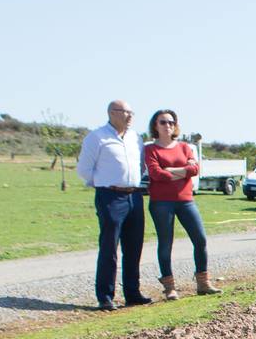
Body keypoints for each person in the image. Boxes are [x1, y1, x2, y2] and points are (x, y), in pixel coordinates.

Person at [76, 100, 152, 311]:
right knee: (109, 246)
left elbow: (140, 165)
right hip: (110, 195)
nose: (129, 116)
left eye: (131, 112)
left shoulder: (135, 138)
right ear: (111, 113)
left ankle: (132, 292)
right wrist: (102, 185)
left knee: (134, 246)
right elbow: (84, 169)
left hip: (134, 195)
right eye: (124, 112)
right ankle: (105, 296)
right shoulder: (97, 137)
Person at [143, 109, 221, 300]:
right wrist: (182, 171)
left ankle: (203, 282)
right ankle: (169, 287)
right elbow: (155, 174)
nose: (167, 125)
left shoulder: (185, 147)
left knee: (200, 239)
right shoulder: (150, 149)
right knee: (166, 243)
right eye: (163, 122)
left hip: (186, 200)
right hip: (161, 202)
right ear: (155, 125)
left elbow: (194, 169)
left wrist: (172, 170)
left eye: (171, 122)